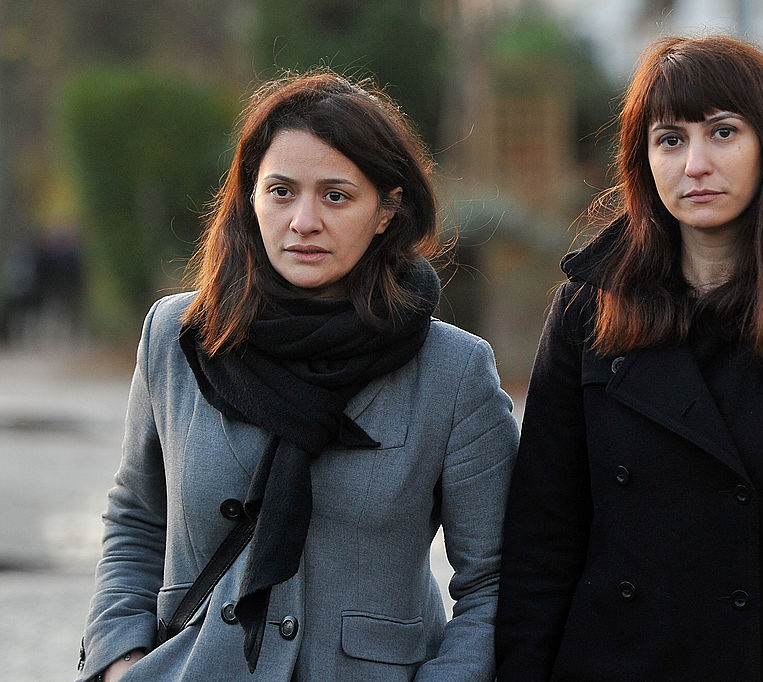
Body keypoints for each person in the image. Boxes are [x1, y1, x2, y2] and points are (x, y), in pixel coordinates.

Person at [495, 35, 763, 680]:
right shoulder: (590, 309)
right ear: (643, 160)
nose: (695, 163)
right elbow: (541, 542)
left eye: (722, 133)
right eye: (670, 139)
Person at [77, 69, 519, 681]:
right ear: (250, 198)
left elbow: (496, 580)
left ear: (386, 209)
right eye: (281, 191)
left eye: (336, 195)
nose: (303, 221)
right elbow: (136, 520)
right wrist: (119, 662)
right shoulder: (177, 337)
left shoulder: (452, 371)